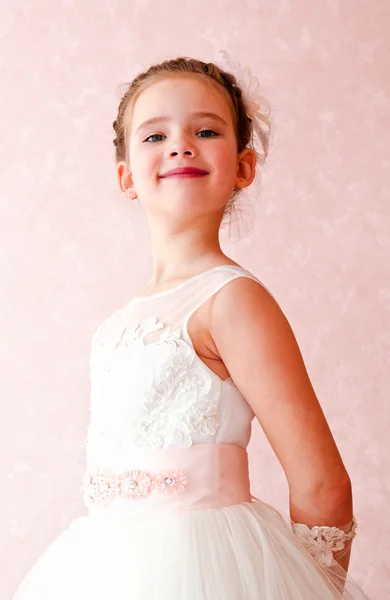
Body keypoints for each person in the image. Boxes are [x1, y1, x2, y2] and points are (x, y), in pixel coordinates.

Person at [12, 51, 371, 599]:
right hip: (106, 572)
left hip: (210, 573)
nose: (180, 144)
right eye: (154, 136)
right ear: (126, 176)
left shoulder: (231, 301)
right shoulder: (114, 326)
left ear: (243, 167)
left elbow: (322, 483)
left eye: (206, 130)